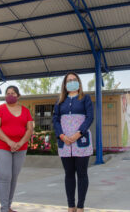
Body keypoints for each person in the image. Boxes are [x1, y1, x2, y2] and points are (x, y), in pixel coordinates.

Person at [53, 72, 94, 212]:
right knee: (69, 174)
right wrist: (62, 136)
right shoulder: (60, 101)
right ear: (64, 84)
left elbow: (90, 117)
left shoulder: (85, 98)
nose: (71, 82)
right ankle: (71, 206)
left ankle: (81, 206)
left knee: (82, 174)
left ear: (79, 82)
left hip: (81, 140)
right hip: (65, 142)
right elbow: (55, 119)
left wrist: (78, 134)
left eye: (74, 80)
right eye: (68, 80)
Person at [0, 85, 34, 212]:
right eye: (8, 93)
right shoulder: (0, 109)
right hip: (3, 146)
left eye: (13, 93)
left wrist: (20, 143)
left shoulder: (26, 111)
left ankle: (8, 206)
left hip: (21, 148)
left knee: (14, 177)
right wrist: (10, 142)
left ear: (18, 96)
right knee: (5, 176)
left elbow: (30, 129)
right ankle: (4, 208)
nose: (10, 95)